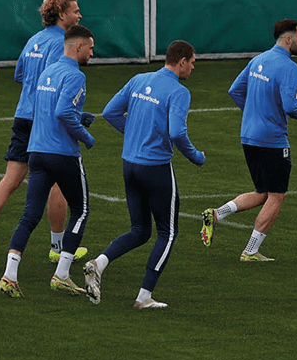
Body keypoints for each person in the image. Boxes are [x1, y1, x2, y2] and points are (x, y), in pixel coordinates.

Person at [84, 40, 206, 310]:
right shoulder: (179, 91)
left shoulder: (139, 79)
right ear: (182, 61)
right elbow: (177, 133)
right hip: (156, 167)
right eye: (193, 62)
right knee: (168, 232)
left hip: (130, 165)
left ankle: (98, 264)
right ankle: (144, 296)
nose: (193, 67)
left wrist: (135, 134)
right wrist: (195, 156)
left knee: (139, 230)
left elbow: (111, 112)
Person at [0, 0, 76, 269]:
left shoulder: (34, 40)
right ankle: (58, 247)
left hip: (22, 115)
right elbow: (55, 83)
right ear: (63, 14)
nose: (80, 15)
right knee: (59, 183)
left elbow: (19, 74)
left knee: (10, 179)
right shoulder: (62, 44)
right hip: (45, 121)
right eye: (76, 11)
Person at [202, 19, 297, 262]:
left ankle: (216, 214)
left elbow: (235, 90)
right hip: (272, 140)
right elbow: (290, 106)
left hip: (249, 136)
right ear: (288, 39)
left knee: (263, 192)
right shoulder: (289, 67)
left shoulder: (258, 59)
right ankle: (251, 251)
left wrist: (253, 113)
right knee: (277, 195)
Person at [0, 24, 96, 301]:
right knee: (81, 209)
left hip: (37, 153)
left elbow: (49, 109)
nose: (92, 52)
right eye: (90, 47)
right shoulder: (75, 75)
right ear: (78, 46)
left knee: (30, 214)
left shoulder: (47, 72)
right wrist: (85, 136)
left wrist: (80, 115)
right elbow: (64, 111)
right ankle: (62, 275)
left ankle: (10, 276)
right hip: (62, 153)